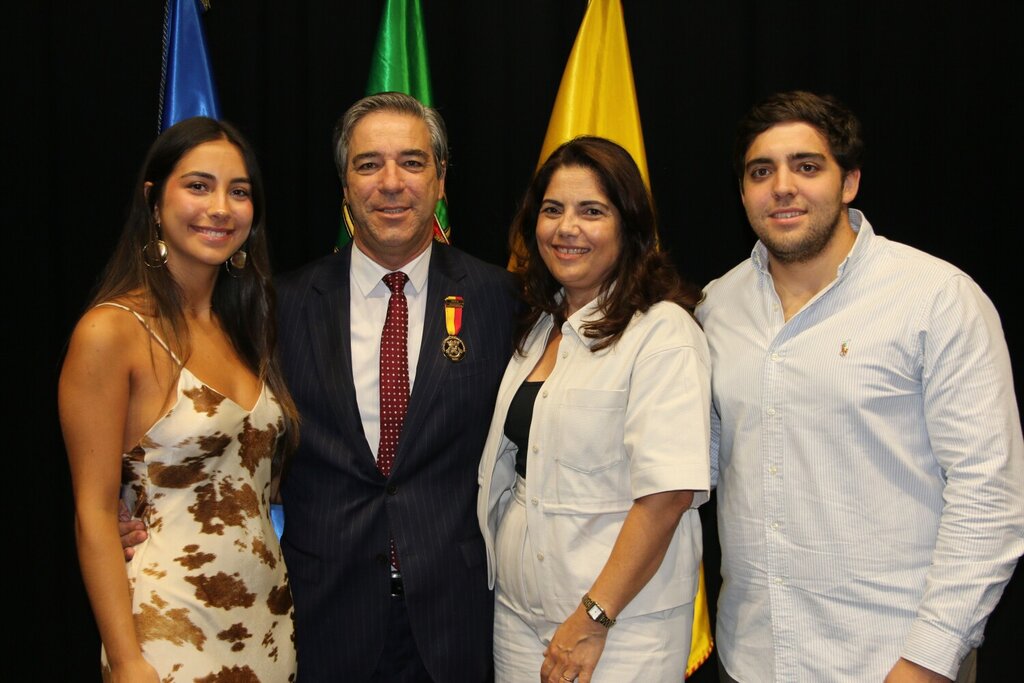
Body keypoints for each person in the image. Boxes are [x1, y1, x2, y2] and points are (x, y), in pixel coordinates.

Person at [697, 90, 1024, 682]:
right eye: (761, 171)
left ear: (849, 182)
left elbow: (989, 497)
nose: (782, 187)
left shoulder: (936, 299)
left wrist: (929, 658)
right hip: (751, 659)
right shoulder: (717, 307)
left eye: (807, 166)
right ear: (742, 192)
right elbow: (697, 470)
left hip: (890, 662)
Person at [274, 92, 519, 681]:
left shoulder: (502, 300)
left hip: (458, 616)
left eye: (412, 162)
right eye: (368, 164)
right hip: (324, 615)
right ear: (344, 185)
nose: (390, 183)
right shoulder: (279, 306)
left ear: (440, 179)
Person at [60, 117, 300, 681]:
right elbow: (94, 514)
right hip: (167, 630)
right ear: (154, 201)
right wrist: (126, 661)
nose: (220, 208)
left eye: (238, 192)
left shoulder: (249, 329)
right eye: (198, 186)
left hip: (268, 622)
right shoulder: (111, 332)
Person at [478, 136, 711, 683]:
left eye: (592, 211)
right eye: (552, 210)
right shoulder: (539, 325)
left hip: (620, 626)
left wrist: (593, 617)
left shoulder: (663, 333)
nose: (567, 228)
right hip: (518, 617)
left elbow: (668, 496)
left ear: (629, 226)